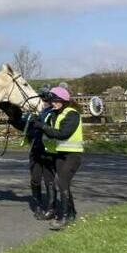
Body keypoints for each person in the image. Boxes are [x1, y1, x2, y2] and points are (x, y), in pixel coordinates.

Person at [35, 86, 84, 230]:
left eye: (56, 101)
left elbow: (63, 134)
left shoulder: (72, 114)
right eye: (52, 101)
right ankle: (71, 214)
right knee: (64, 184)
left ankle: (64, 217)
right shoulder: (55, 113)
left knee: (61, 182)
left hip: (73, 155)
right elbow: (51, 132)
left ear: (64, 100)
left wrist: (43, 127)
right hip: (60, 154)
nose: (53, 103)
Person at [7, 86, 57, 220]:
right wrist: (13, 121)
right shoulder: (35, 113)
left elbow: (52, 129)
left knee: (49, 180)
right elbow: (25, 127)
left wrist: (39, 123)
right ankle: (38, 206)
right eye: (42, 97)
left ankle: (51, 208)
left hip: (48, 151)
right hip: (35, 150)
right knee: (35, 180)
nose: (43, 100)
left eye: (45, 97)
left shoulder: (53, 112)